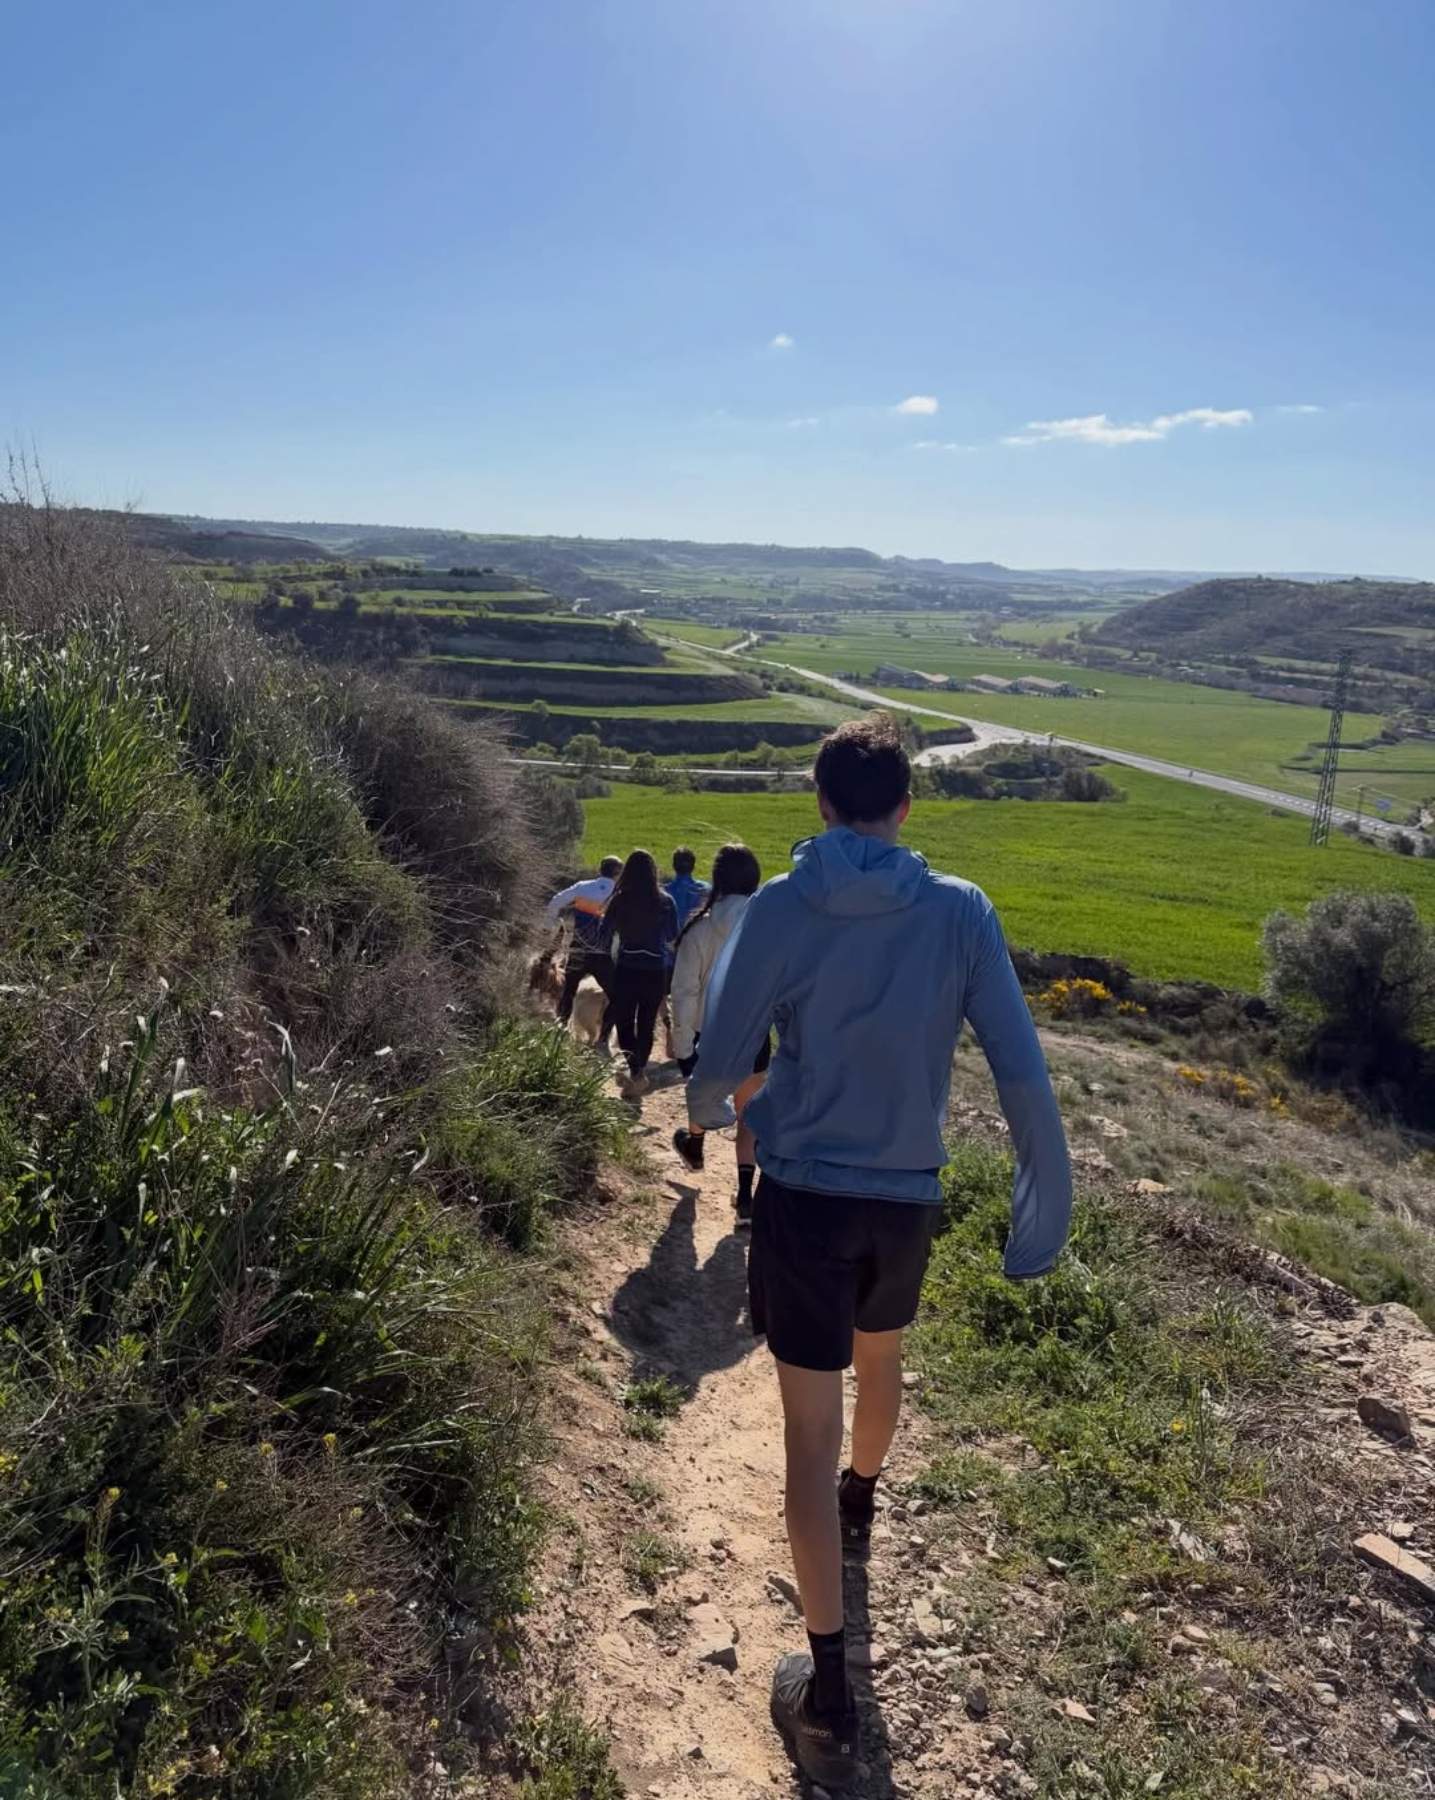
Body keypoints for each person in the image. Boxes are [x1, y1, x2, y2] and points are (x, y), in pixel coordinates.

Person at [686, 715, 1072, 1787]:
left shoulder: (784, 907)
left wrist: (715, 1104)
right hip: (908, 1202)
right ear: (906, 807)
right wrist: (1045, 1201)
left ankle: (826, 1692)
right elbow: (1018, 1066)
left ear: (819, 803)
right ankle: (864, 1500)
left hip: (806, 1200)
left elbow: (721, 1052)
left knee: (803, 1434)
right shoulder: (961, 912)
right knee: (884, 1360)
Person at [669, 844, 766, 1226]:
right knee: (749, 1118)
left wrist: (681, 1046)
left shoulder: (699, 930)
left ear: (718, 880)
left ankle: (694, 1147)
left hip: (707, 1036)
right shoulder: (769, 931)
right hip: (755, 1037)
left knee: (702, 1095)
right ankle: (745, 1200)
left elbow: (684, 993)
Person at [599, 849, 679, 1097]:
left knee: (624, 1022)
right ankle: (639, 1070)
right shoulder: (665, 901)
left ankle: (636, 1071)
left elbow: (604, 935)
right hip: (656, 970)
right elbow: (672, 935)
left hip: (626, 968)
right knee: (646, 1023)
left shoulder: (619, 900)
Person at [544, 855, 623, 1034]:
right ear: (618, 873)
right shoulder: (620, 894)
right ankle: (602, 1039)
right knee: (618, 997)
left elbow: (556, 901)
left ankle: (560, 1032)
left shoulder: (583, 887)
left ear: (599, 870)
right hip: (603, 953)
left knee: (568, 993)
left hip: (579, 949)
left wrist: (548, 926)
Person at [665, 846, 710, 932]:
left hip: (672, 939)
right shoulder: (706, 889)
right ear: (693, 866)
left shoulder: (664, 892)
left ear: (673, 866)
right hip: (697, 937)